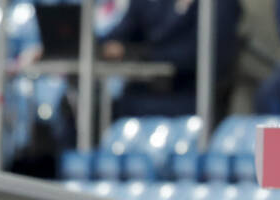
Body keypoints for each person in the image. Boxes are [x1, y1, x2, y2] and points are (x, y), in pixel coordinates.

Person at [99, 0, 241, 119]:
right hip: (140, 94)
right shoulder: (150, 3)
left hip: (188, 95)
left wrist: (141, 54)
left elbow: (205, 55)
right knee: (99, 111)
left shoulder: (218, 4)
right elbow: (120, 34)